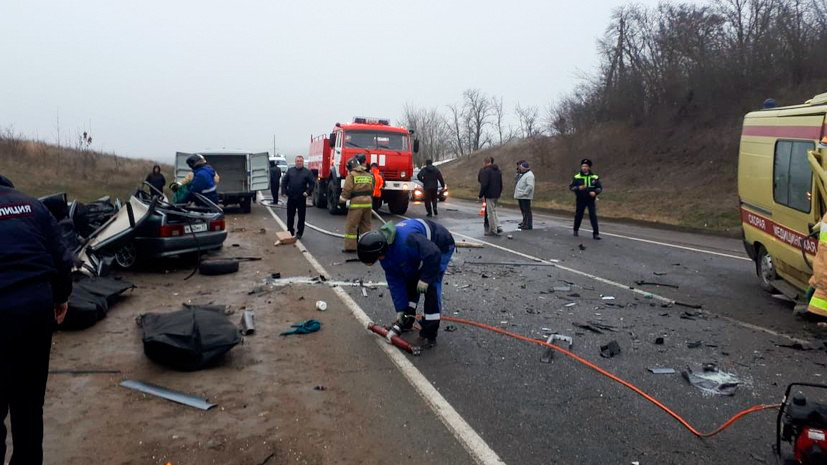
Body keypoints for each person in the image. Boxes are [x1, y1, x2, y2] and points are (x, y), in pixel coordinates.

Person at [0, 175, 73, 465]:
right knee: (29, 403)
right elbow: (62, 258)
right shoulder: (32, 206)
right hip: (35, 310)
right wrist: (61, 298)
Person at [356, 218, 455, 348]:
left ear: (379, 252)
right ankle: (407, 320)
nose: (377, 261)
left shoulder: (407, 240)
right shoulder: (385, 255)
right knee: (411, 279)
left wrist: (425, 279)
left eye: (375, 259)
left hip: (440, 245)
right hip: (421, 250)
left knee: (431, 286)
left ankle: (429, 334)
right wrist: (401, 309)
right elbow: (395, 282)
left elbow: (433, 254)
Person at [340, 154, 374, 252]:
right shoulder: (368, 174)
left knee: (352, 226)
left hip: (356, 204)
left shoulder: (352, 175)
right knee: (366, 226)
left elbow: (347, 189)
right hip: (368, 203)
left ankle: (351, 247)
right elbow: (372, 187)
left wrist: (342, 200)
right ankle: (366, 246)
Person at [281, 155, 315, 239]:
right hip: (291, 197)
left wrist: (308, 192)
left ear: (303, 162)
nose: (299, 162)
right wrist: (284, 192)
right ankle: (290, 231)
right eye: (297, 161)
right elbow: (284, 182)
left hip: (301, 197)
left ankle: (299, 233)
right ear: (295, 162)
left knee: (301, 217)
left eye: (300, 161)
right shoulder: (290, 171)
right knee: (290, 216)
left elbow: (312, 184)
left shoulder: (307, 172)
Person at [569, 158, 602, 240]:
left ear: (589, 167)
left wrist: (595, 192)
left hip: (590, 199)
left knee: (593, 216)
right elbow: (571, 187)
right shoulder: (577, 177)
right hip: (580, 199)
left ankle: (596, 234)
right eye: (583, 166)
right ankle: (575, 230)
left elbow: (599, 188)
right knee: (579, 215)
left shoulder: (594, 177)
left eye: (586, 166)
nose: (584, 167)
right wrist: (578, 188)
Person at [478, 157, 503, 236]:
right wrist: (499, 192)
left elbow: (484, 184)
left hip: (490, 194)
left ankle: (493, 230)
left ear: (485, 162)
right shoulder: (498, 170)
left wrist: (481, 194)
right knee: (494, 211)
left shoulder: (487, 171)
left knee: (490, 212)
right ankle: (497, 226)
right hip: (496, 194)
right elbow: (500, 183)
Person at [514, 161, 535, 230]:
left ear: (525, 168)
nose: (520, 169)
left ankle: (528, 224)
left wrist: (525, 193)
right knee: (524, 211)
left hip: (525, 196)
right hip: (521, 195)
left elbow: (530, 186)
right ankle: (525, 223)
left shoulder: (529, 175)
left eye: (522, 167)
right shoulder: (523, 174)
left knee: (527, 211)